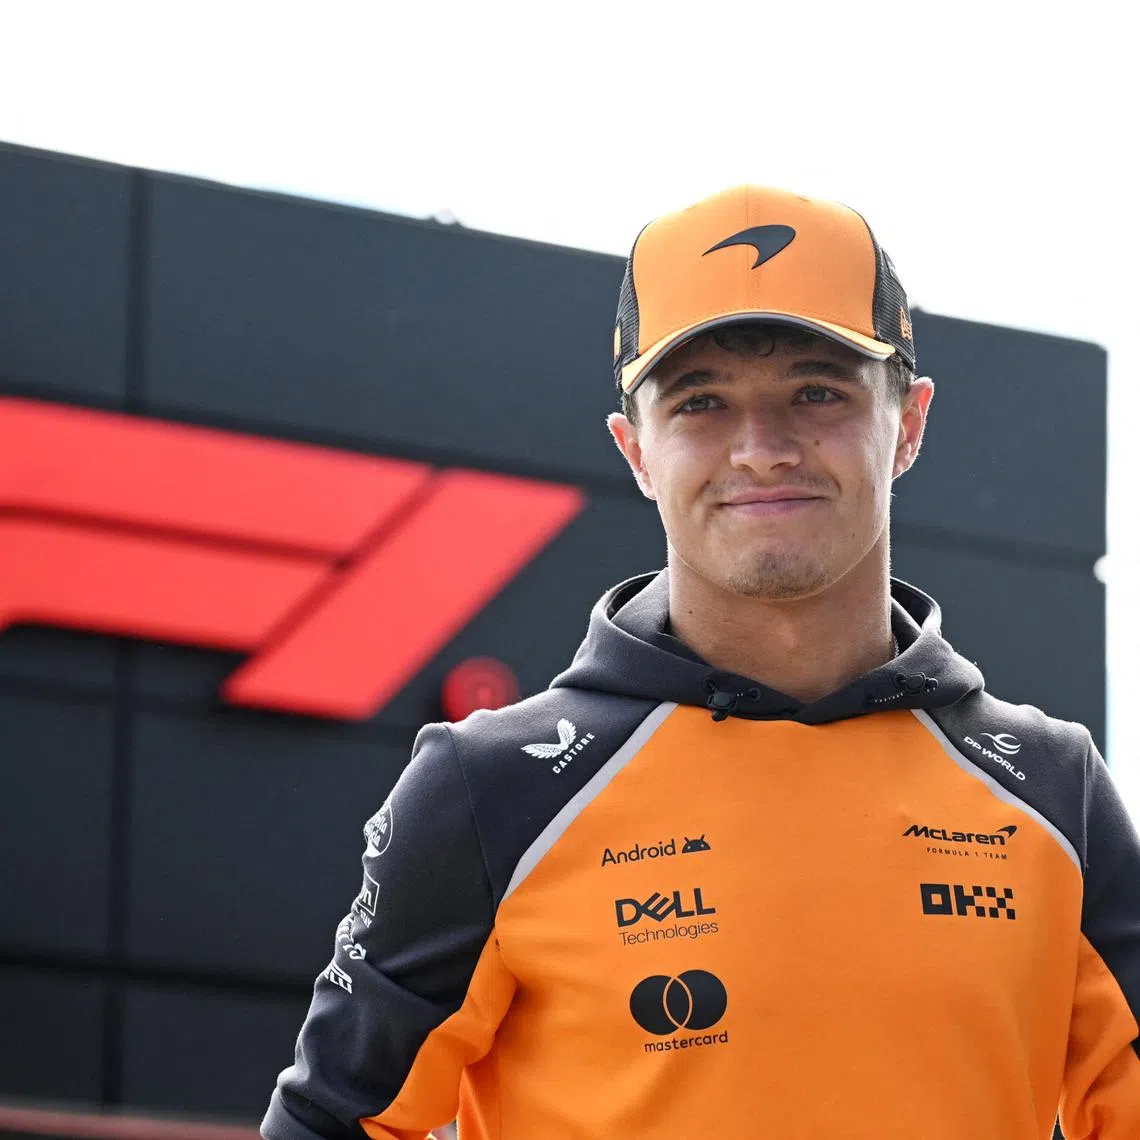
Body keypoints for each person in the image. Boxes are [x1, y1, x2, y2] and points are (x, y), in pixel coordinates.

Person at [261, 186, 1140, 1140]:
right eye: (703, 403)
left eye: (817, 391)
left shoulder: (1056, 793)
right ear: (636, 449)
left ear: (910, 422)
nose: (761, 450)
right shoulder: (491, 791)